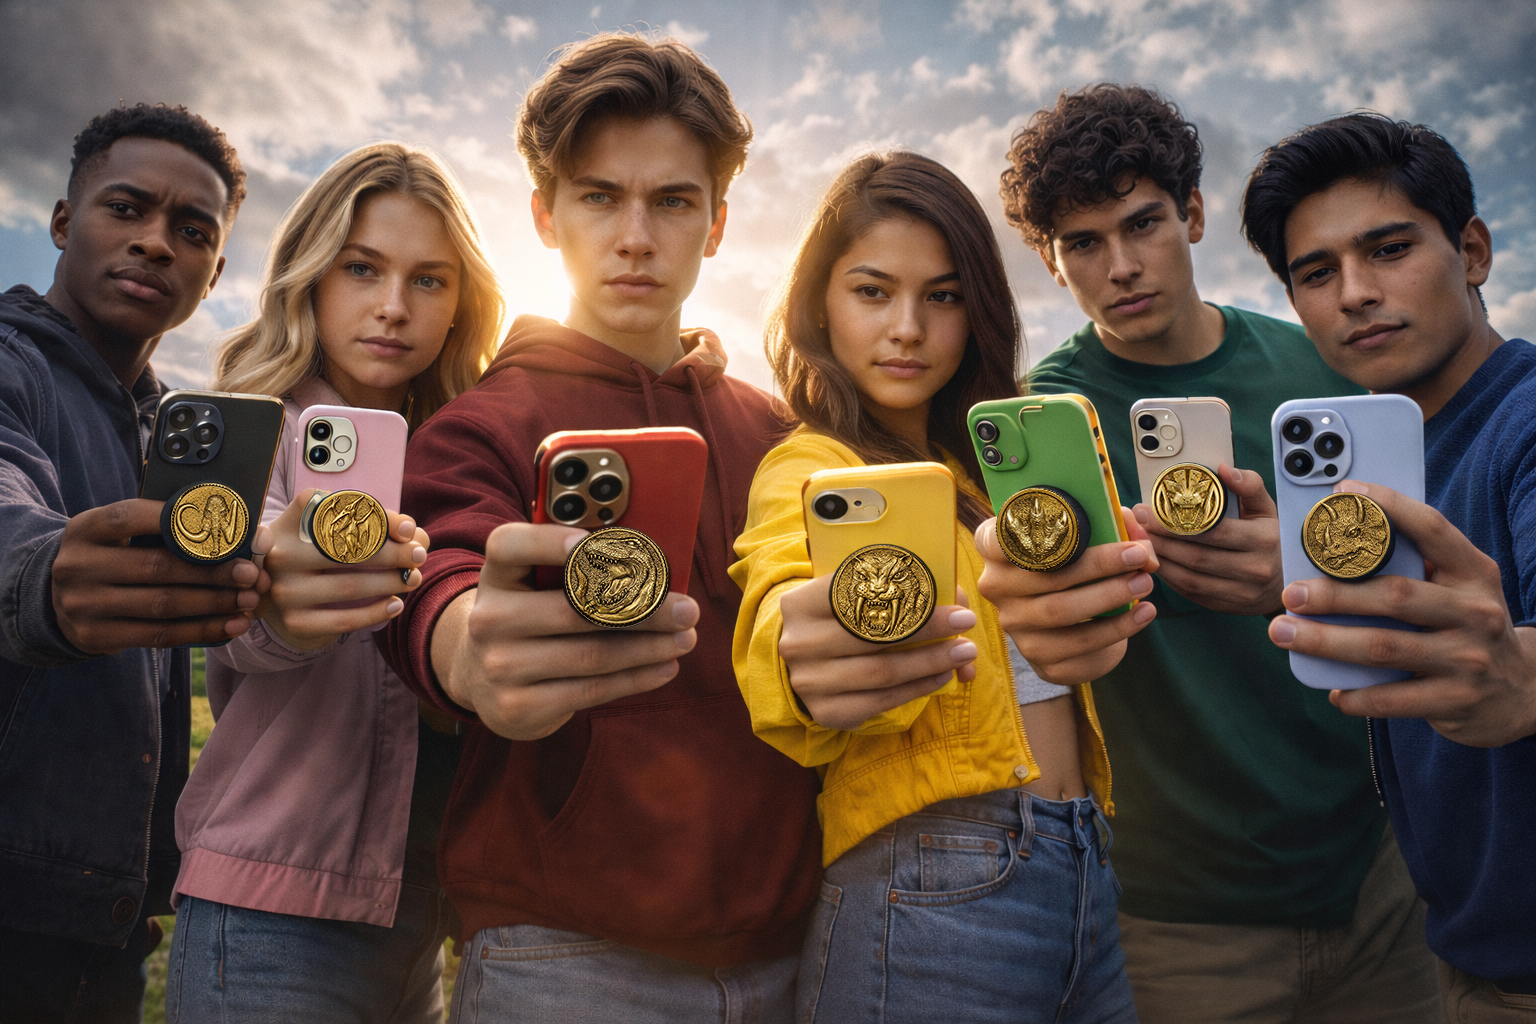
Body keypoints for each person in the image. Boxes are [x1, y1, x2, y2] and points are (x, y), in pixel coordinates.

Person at [380, 33, 823, 1022]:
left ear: (715, 225)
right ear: (544, 216)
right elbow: (441, 574)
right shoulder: (478, 425)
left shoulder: (780, 431)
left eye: (672, 200)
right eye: (598, 196)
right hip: (561, 956)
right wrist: (461, 646)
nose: (637, 235)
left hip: (798, 949)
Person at [990, 84, 1442, 1022]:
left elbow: (1433, 560)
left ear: (1192, 216)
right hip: (1177, 920)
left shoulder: (1322, 367)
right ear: (1050, 259)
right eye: (1083, 243)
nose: (1121, 265)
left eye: (1143, 222)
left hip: (1379, 874)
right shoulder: (1048, 425)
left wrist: (1312, 562)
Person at [731, 150, 1135, 1023]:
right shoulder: (810, 463)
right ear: (819, 305)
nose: (908, 327)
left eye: (942, 296)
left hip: (1088, 865)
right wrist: (795, 661)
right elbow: (778, 598)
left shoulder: (989, 470)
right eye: (873, 291)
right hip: (933, 881)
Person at [163, 142, 503, 1023]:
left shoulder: (467, 453)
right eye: (362, 268)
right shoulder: (256, 433)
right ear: (310, 277)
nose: (393, 307)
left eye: (430, 280)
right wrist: (278, 598)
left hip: (419, 912)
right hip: (271, 905)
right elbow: (228, 614)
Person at [1242, 112, 1536, 1023]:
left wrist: (1527, 678)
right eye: (1316, 273)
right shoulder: (1377, 468)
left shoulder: (1521, 425)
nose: (1355, 293)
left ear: (1474, 251)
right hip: (1464, 953)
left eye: (1389, 248)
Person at [0, 103, 256, 1023]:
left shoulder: (172, 434)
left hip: (102, 932)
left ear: (215, 270)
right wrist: (39, 577)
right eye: (126, 210)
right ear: (64, 222)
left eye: (191, 231)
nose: (156, 244)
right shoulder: (10, 364)